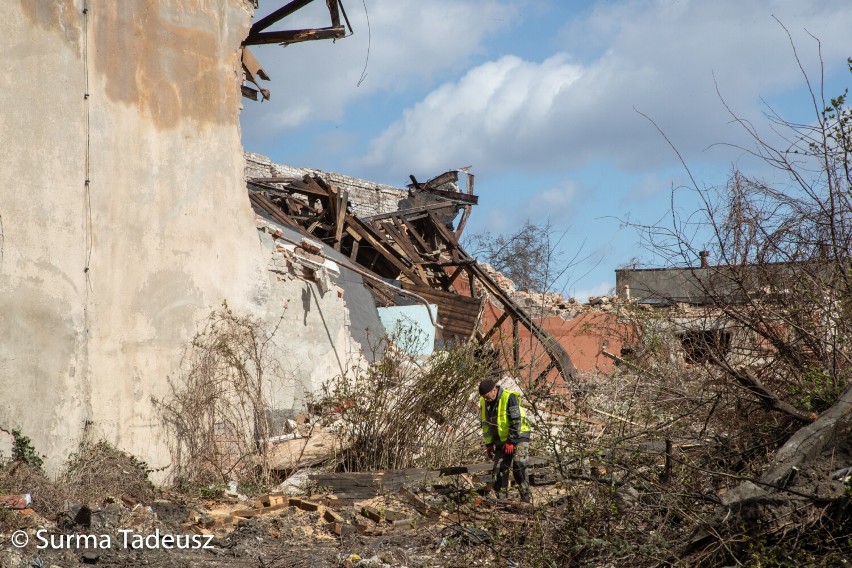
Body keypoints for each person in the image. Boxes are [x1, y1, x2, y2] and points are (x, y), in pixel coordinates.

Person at [478, 378, 532, 503]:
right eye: (484, 397)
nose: (486, 399)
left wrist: (512, 441)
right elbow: (486, 425)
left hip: (520, 434)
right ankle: (502, 501)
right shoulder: (484, 401)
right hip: (501, 438)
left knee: (519, 464)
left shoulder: (509, 397)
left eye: (487, 396)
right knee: (498, 469)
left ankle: (525, 497)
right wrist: (489, 444)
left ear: (494, 390)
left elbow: (516, 421)